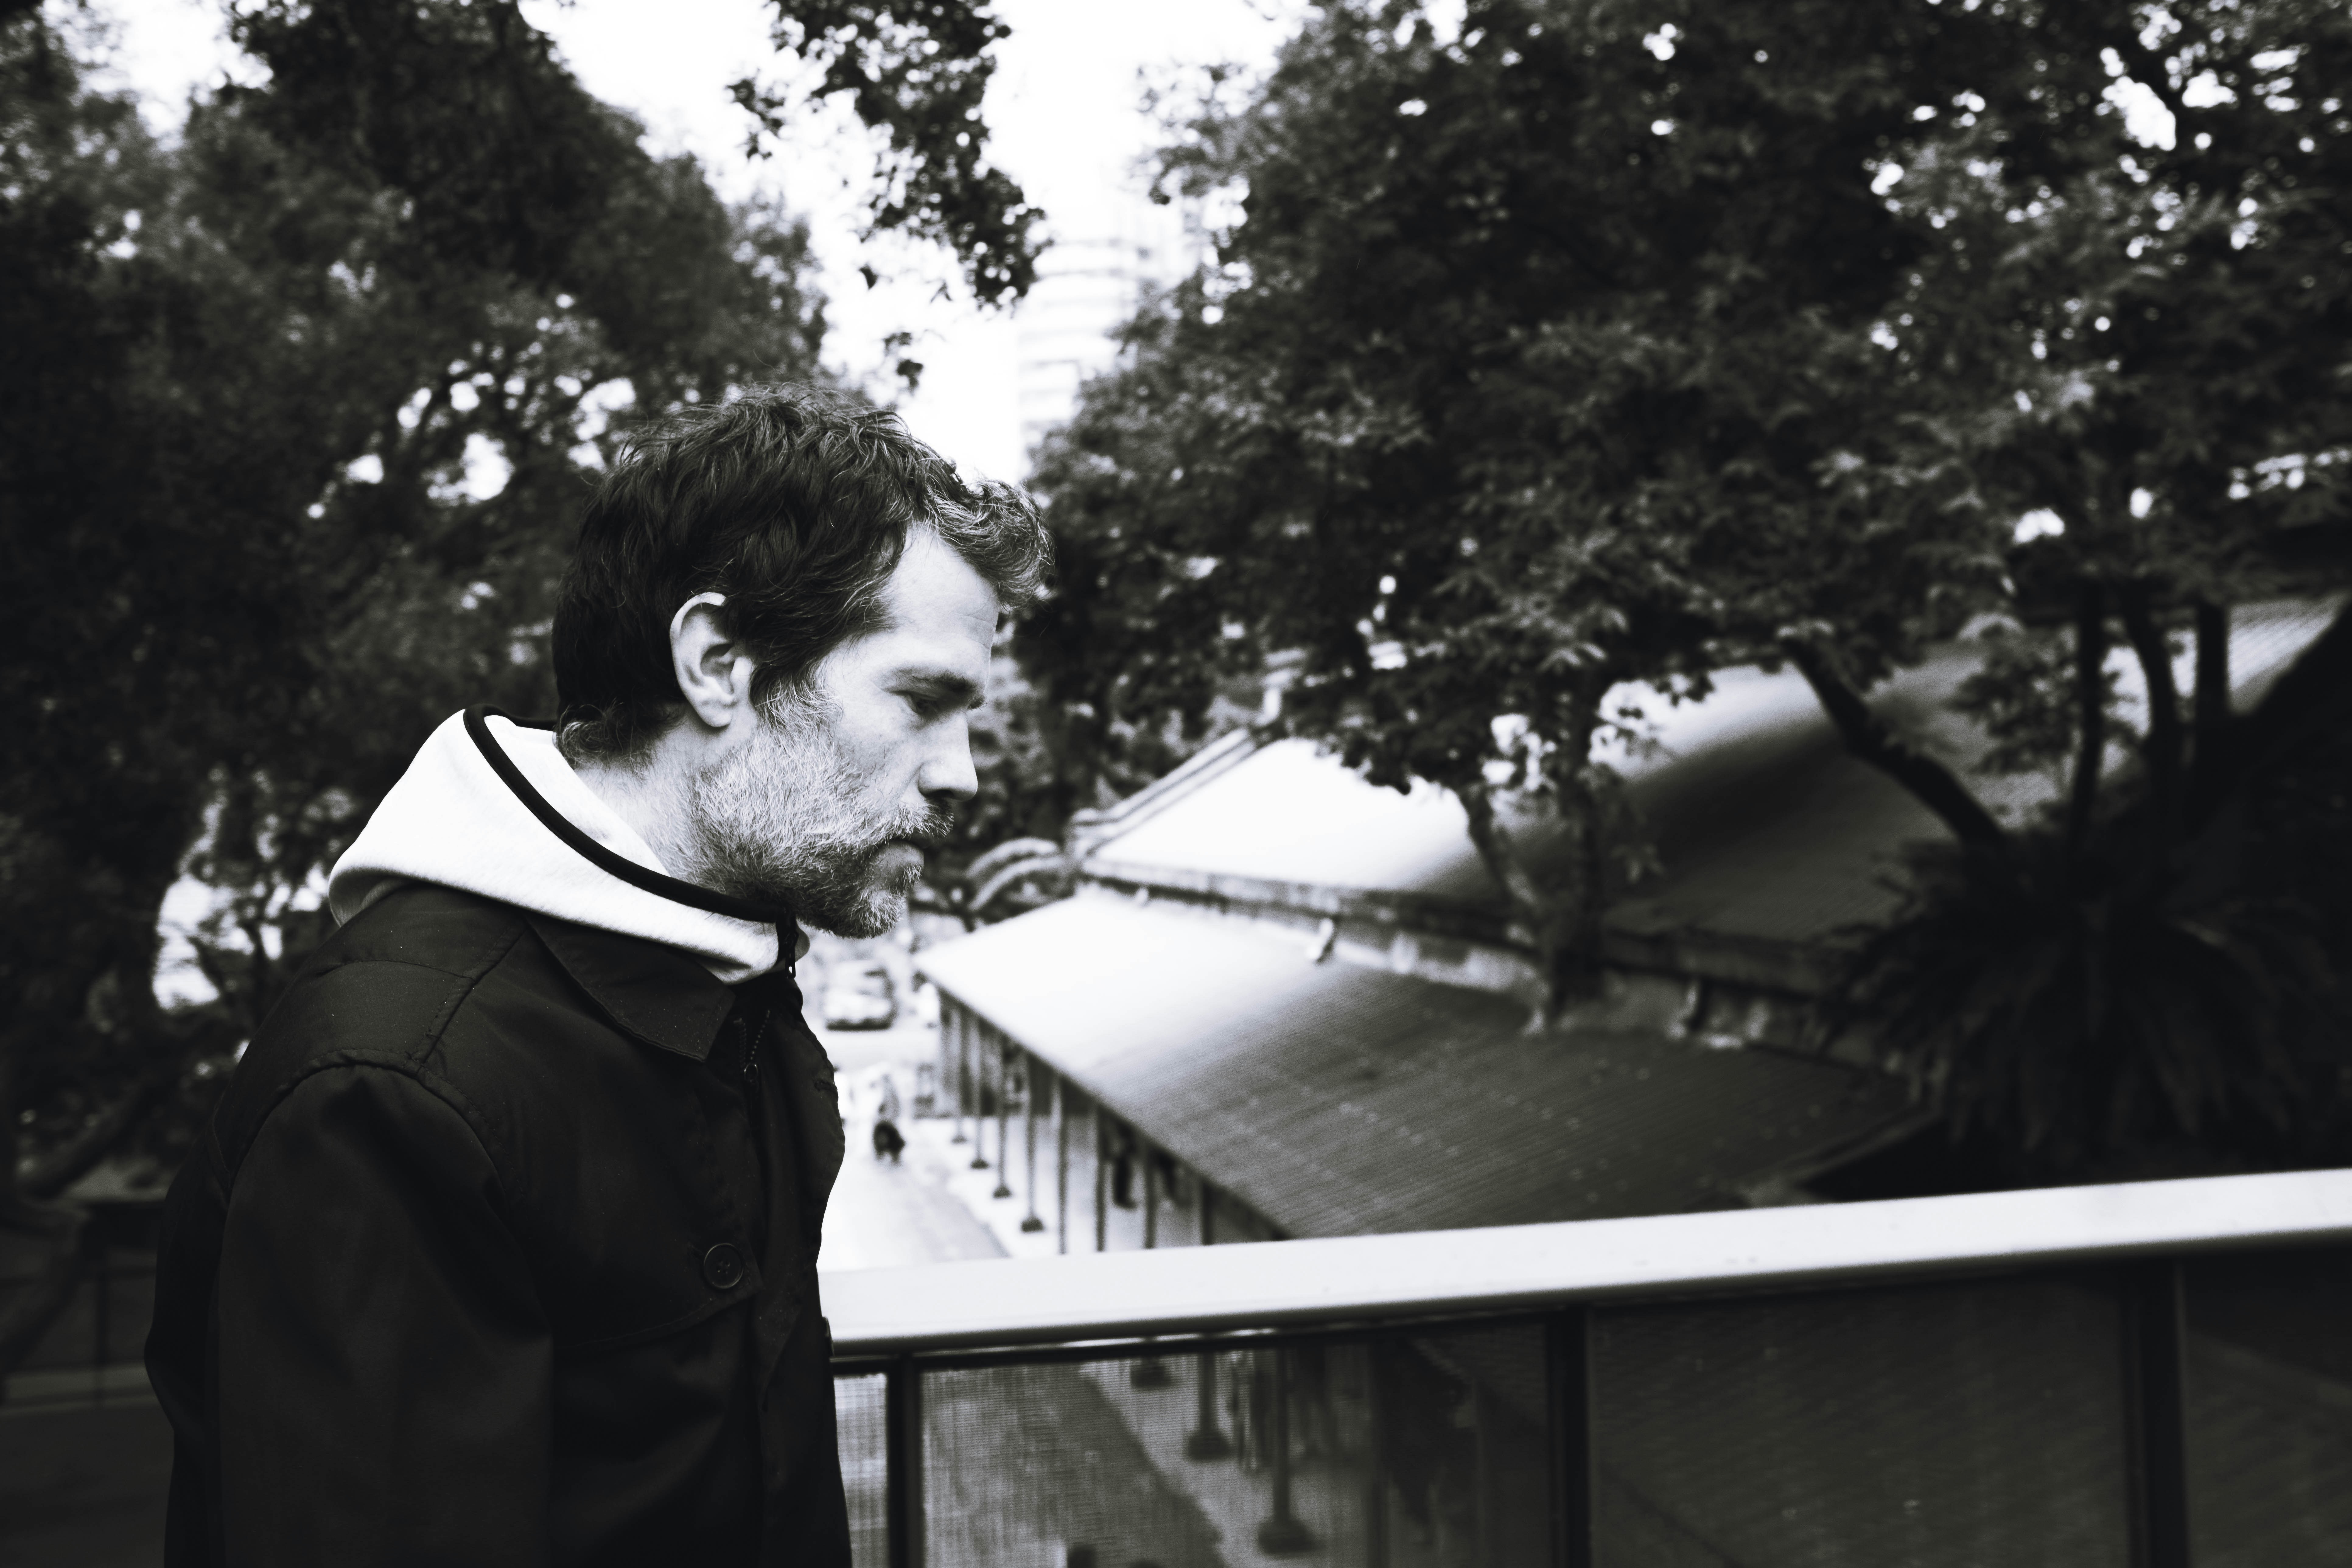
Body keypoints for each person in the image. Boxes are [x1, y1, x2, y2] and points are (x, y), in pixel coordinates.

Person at [145, 386, 1049, 1566]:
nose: (962, 776)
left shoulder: (738, 996)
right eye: (923, 701)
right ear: (720, 663)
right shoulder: (392, 1088)